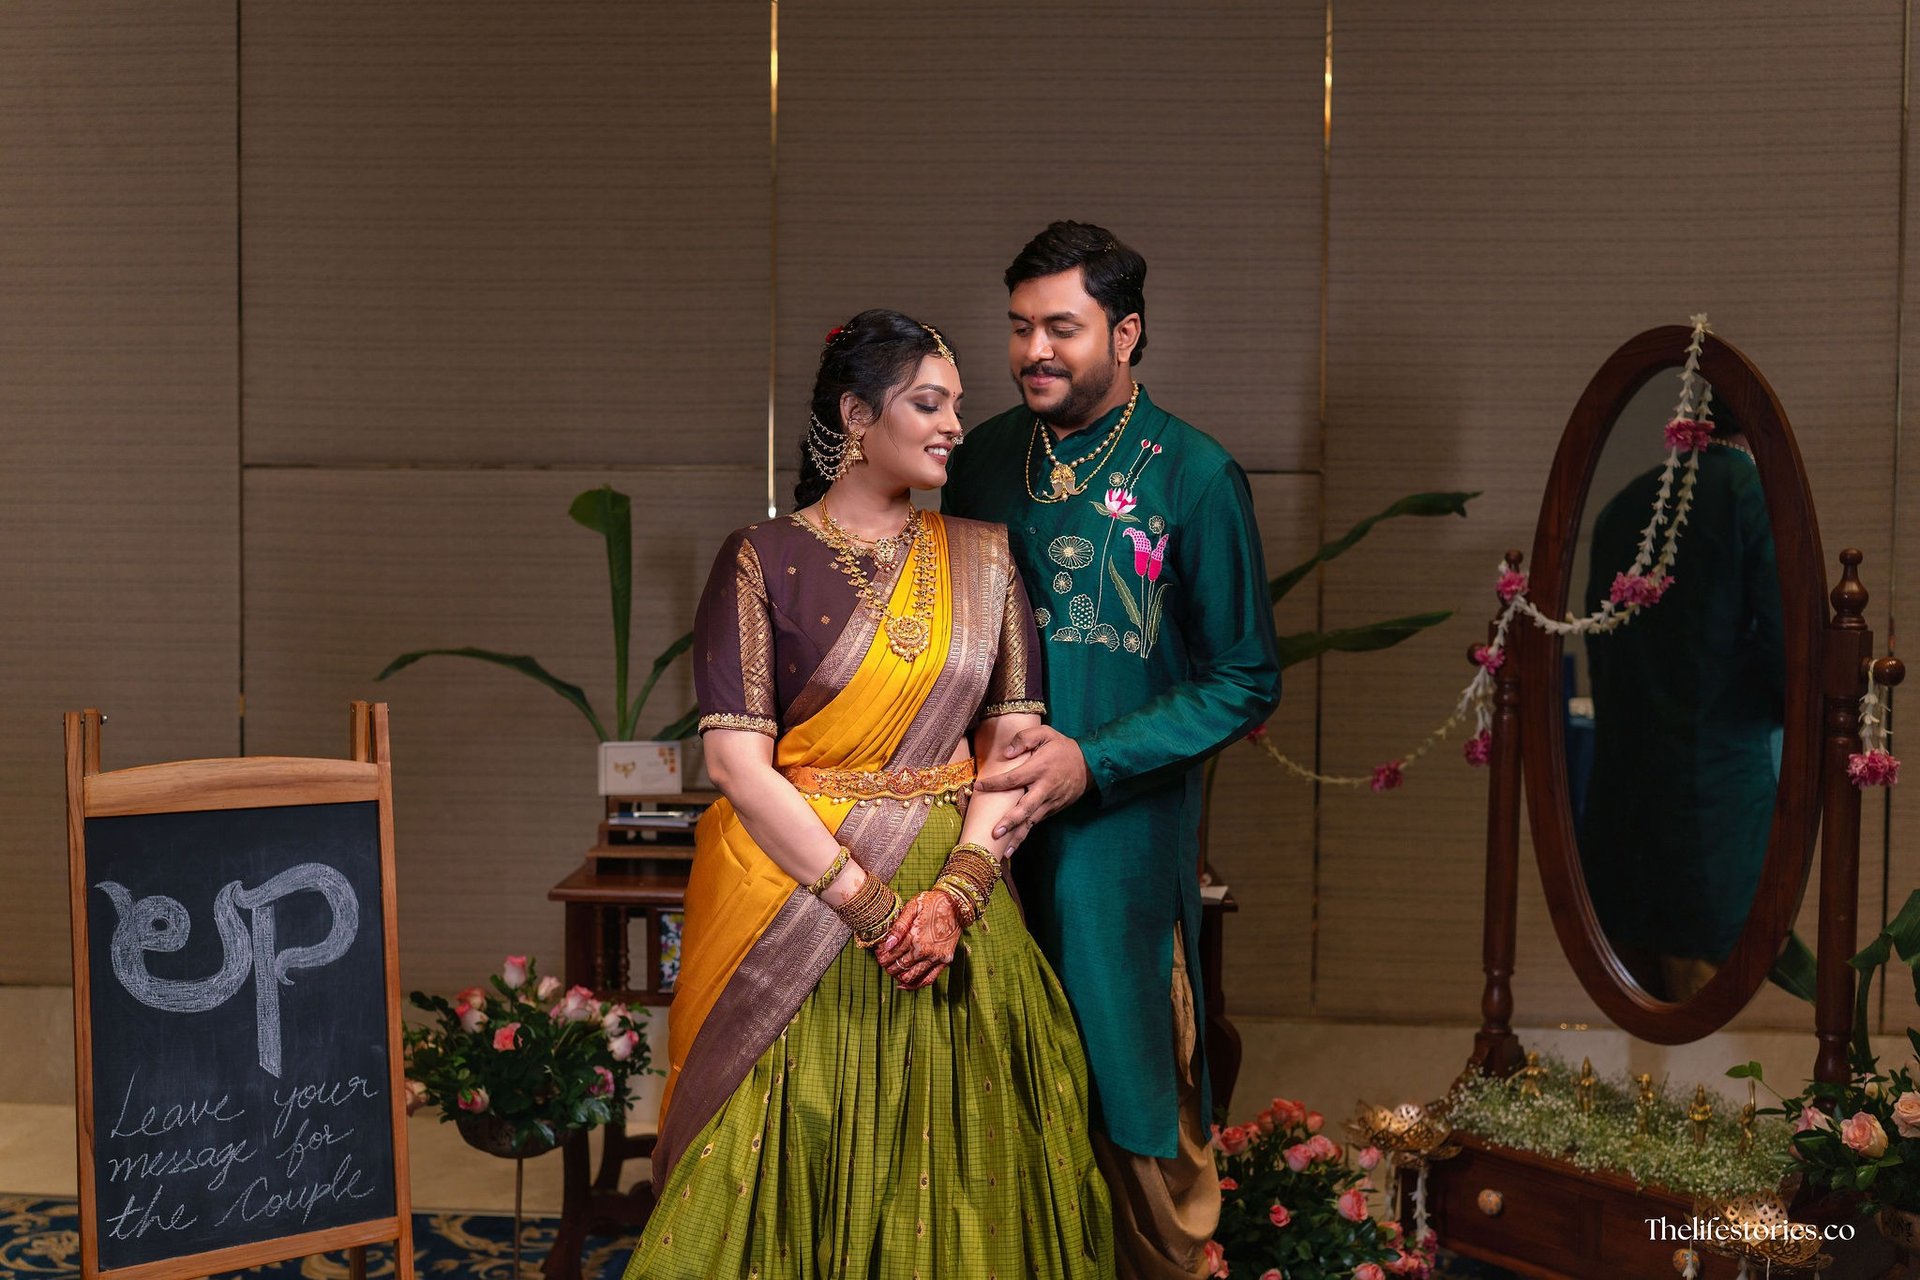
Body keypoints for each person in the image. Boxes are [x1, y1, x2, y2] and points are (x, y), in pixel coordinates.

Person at [626, 309, 1114, 1279]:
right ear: (856, 413)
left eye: (958, 408)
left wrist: (958, 891)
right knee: (780, 1151)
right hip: (804, 902)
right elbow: (735, 766)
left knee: (972, 1158)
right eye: (929, 402)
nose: (952, 427)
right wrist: (873, 906)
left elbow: (1010, 747)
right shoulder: (759, 559)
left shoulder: (984, 558)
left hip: (955, 912)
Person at [942, 222, 1282, 1279]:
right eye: (1018, 327)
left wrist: (1090, 760)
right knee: (988, 1088)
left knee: (1130, 1087)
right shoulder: (983, 457)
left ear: (1125, 332)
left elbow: (1244, 676)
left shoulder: (1196, 476)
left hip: (1116, 845)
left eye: (1062, 327)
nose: (1033, 350)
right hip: (982, 837)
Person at [1577, 404, 1784, 1002]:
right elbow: (1785, 658)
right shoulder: (1752, 495)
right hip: (1717, 807)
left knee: (1640, 1022)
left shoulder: (1622, 508)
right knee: (1709, 1027)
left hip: (1622, 810)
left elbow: (1603, 656)